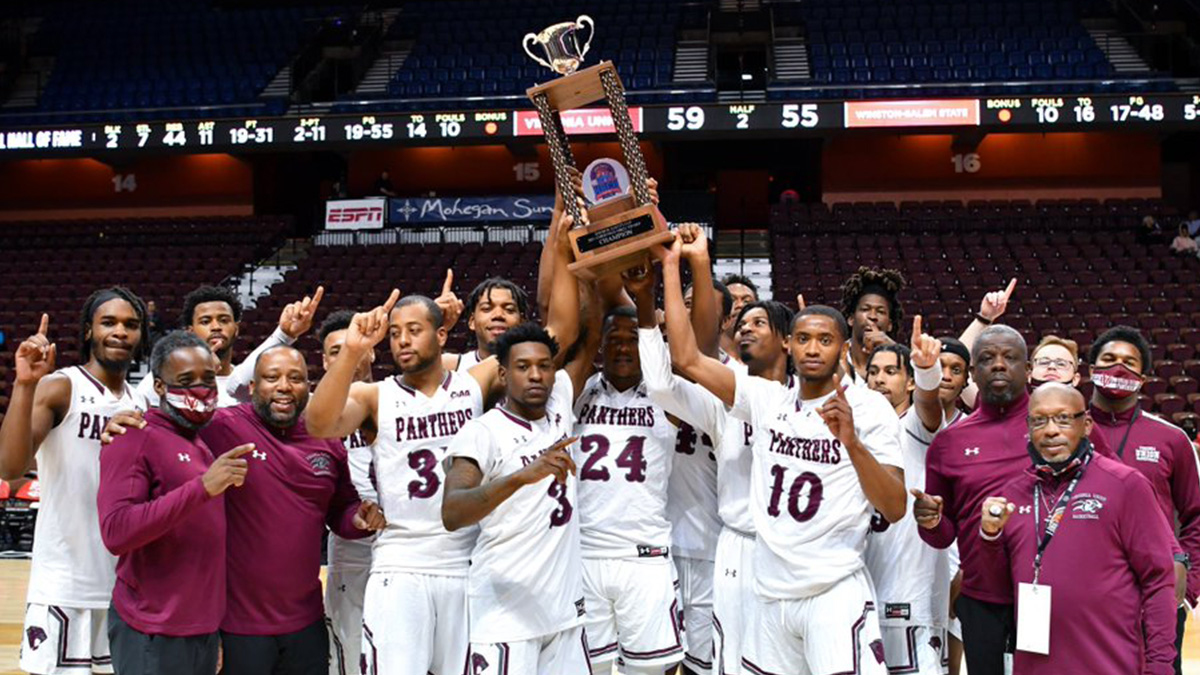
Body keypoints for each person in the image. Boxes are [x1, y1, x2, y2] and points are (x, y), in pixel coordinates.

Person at [659, 232, 906, 675]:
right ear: (789, 345)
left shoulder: (869, 409)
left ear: (844, 348)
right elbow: (687, 359)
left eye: (826, 340)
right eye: (805, 339)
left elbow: (894, 504)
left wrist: (852, 444)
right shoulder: (768, 400)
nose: (814, 349)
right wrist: (677, 265)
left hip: (832, 589)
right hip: (769, 589)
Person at [105, 346, 387, 675]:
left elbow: (340, 508)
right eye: (272, 377)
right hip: (236, 625)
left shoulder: (327, 439)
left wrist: (357, 518)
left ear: (309, 387)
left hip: (305, 622)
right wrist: (124, 419)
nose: (284, 386)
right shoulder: (220, 427)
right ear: (252, 388)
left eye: (295, 378)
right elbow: (171, 422)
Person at [912, 324, 1120, 675]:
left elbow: (1115, 488)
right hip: (983, 599)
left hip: (1058, 592)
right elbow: (943, 535)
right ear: (973, 373)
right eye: (987, 359)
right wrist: (930, 520)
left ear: (1027, 370)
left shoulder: (1060, 425)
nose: (998, 365)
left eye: (1009, 357)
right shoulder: (948, 443)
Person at [633, 254, 794, 675]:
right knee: (727, 659)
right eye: (742, 323)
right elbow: (663, 386)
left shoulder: (808, 401)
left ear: (787, 340)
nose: (745, 328)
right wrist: (650, 315)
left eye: (759, 322)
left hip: (792, 548)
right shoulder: (729, 397)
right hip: (736, 543)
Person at [978, 383, 1177, 675]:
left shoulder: (1125, 485)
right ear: (1028, 427)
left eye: (1062, 419)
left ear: (1085, 425)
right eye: (1039, 420)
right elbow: (996, 589)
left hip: (1110, 666)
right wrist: (990, 537)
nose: (1050, 430)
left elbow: (1158, 582)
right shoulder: (1012, 494)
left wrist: (1160, 668)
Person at [0, 289, 148, 675]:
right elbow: (9, 467)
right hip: (65, 582)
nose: (120, 332)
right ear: (88, 331)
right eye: (109, 322)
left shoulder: (142, 403)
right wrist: (25, 385)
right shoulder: (62, 386)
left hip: (126, 586)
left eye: (130, 325)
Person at [442, 321, 597, 674]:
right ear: (502, 373)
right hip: (505, 616)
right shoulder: (482, 432)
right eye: (523, 367)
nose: (536, 375)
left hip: (563, 613)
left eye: (544, 366)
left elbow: (589, 339)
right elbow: (453, 512)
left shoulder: (559, 409)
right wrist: (522, 476)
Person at [97, 331, 247, 675]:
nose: (200, 389)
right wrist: (203, 487)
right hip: (151, 629)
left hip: (201, 630)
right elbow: (116, 532)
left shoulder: (200, 441)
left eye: (208, 379)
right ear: (160, 387)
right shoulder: (133, 434)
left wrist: (213, 629)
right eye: (185, 380)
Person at [570, 304, 686, 674]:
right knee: (590, 668)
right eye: (613, 339)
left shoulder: (666, 396)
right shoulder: (576, 393)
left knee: (650, 669)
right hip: (583, 553)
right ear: (599, 345)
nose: (622, 348)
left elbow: (688, 353)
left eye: (632, 339)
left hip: (645, 556)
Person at [1086, 325, 1200, 675]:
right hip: (1082, 592)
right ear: (1090, 370)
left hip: (1154, 596)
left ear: (1144, 378)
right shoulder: (1064, 432)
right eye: (1108, 359)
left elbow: (1196, 516)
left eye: (1129, 362)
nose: (1118, 367)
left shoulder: (1172, 439)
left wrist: (1186, 588)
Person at [863, 321, 953, 675]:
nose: (879, 380)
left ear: (910, 381)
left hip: (909, 587)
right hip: (864, 580)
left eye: (890, 372)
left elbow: (930, 403)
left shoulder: (916, 424)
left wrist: (927, 369)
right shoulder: (855, 424)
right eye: (872, 372)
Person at [315, 310, 378, 675]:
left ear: (371, 351)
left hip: (409, 548)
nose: (348, 357)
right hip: (349, 549)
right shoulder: (314, 415)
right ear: (324, 361)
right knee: (351, 654)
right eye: (336, 351)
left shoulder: (394, 398)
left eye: (355, 348)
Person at [135, 284, 323, 407]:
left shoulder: (252, 381)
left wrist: (286, 334)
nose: (216, 327)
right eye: (206, 321)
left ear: (236, 329)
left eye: (224, 320)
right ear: (190, 331)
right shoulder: (165, 377)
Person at [442, 277, 530, 372]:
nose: (498, 315)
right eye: (487, 308)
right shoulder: (451, 366)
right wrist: (433, 322)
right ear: (472, 321)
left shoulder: (537, 370)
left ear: (522, 322)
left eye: (509, 309)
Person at [839, 266, 906, 381]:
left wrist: (893, 348)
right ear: (851, 319)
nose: (873, 316)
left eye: (880, 311)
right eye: (865, 309)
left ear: (890, 324)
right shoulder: (833, 359)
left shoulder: (902, 364)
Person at [717, 274, 759, 361]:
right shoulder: (703, 358)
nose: (740, 305)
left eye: (746, 301)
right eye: (732, 300)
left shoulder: (766, 363)